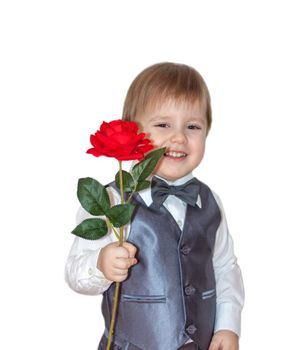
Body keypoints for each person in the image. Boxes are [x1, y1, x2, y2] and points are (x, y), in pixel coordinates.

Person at [65, 62, 245, 350]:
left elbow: (225, 267)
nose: (179, 137)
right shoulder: (112, 202)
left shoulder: (210, 202)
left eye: (193, 126)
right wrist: (101, 265)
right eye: (163, 124)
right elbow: (75, 273)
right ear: (134, 131)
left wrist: (228, 325)